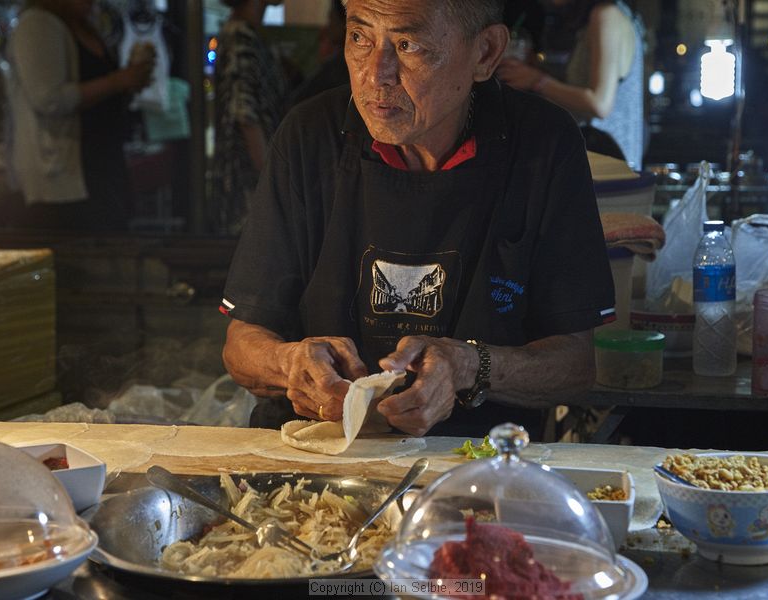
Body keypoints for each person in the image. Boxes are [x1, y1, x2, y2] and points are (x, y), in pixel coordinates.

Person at [220, 0, 616, 439]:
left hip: (476, 456)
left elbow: (576, 364)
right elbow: (242, 343)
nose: (376, 75)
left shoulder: (544, 144)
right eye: (360, 38)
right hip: (314, 447)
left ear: (485, 52)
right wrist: (288, 363)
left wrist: (469, 366)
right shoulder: (308, 135)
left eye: (408, 45)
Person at [7, 0, 154, 231]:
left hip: (102, 165)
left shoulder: (83, 25)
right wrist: (117, 81)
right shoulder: (38, 23)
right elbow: (48, 98)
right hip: (63, 174)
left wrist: (128, 82)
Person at [497, 0, 644, 170]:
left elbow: (600, 104)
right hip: (596, 160)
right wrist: (536, 70)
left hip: (609, 165)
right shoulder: (595, 17)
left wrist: (537, 80)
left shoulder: (606, 15)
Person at [210, 0, 288, 233]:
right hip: (247, 190)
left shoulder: (245, 34)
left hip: (249, 185)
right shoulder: (240, 37)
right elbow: (245, 116)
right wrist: (273, 185)